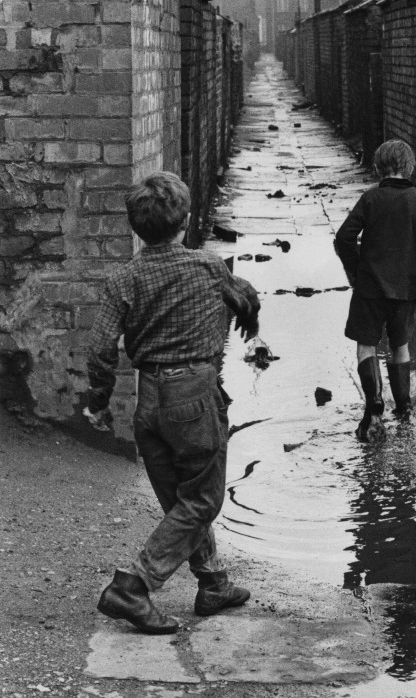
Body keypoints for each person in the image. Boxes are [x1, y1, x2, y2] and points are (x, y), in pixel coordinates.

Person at [85, 171, 260, 634]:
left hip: (149, 402)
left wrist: (98, 401)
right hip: (194, 399)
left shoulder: (123, 279)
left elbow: (101, 347)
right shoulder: (207, 266)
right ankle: (134, 587)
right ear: (185, 221)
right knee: (202, 500)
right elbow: (241, 297)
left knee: (181, 500)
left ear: (136, 227)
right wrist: (250, 316)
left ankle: (212, 582)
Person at [334, 139, 416, 442]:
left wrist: (356, 270)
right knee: (400, 346)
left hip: (370, 289)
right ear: (410, 166)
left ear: (378, 168)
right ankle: (403, 408)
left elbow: (344, 238)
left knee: (367, 344)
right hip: (406, 289)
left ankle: (374, 407)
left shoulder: (371, 199)